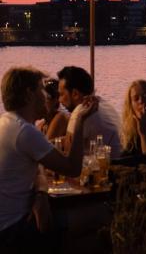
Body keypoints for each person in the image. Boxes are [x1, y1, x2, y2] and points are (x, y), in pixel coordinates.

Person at [0, 67, 97, 252]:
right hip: (11, 233)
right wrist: (80, 121)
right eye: (41, 90)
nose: (46, 95)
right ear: (29, 95)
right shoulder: (24, 132)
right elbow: (73, 168)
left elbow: (37, 169)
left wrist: (41, 194)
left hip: (8, 224)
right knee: (99, 215)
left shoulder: (7, 123)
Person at [57, 66, 122, 159]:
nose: (59, 100)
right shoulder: (105, 104)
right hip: (117, 161)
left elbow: (68, 153)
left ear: (75, 94)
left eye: (61, 94)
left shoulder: (81, 110)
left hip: (102, 168)